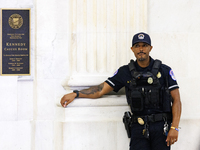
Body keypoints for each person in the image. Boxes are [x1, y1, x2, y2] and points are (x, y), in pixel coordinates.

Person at [60, 32, 182, 150]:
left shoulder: (164, 70)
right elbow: (100, 90)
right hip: (138, 128)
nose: (141, 49)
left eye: (144, 45)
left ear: (150, 48)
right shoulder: (125, 72)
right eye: (137, 46)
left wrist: (174, 127)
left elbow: (176, 100)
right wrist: (76, 93)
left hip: (161, 127)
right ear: (132, 49)